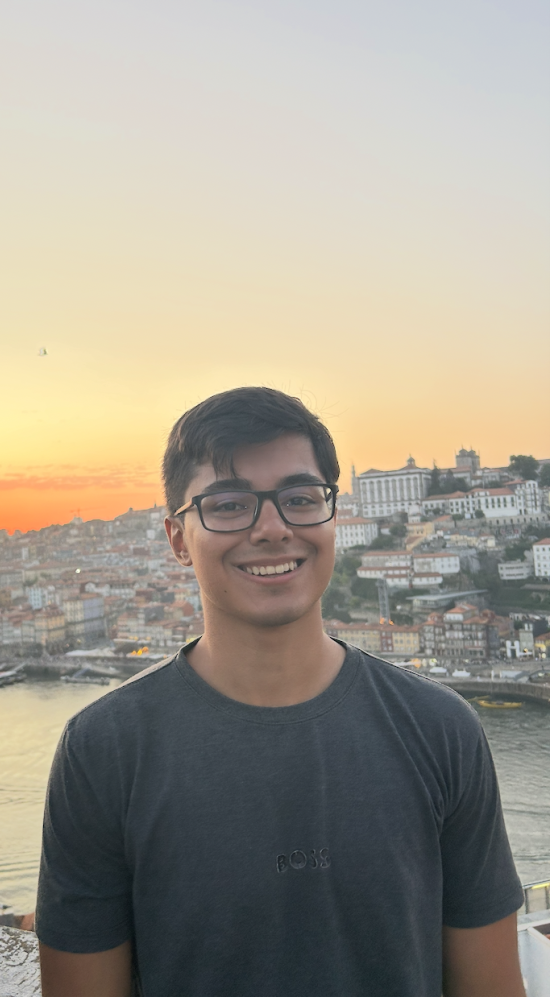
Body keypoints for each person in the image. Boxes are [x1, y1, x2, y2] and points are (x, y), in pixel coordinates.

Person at [36, 386, 526, 997]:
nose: (272, 529)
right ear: (178, 538)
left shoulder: (442, 730)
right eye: (229, 505)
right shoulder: (102, 751)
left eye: (299, 499)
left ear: (334, 517)